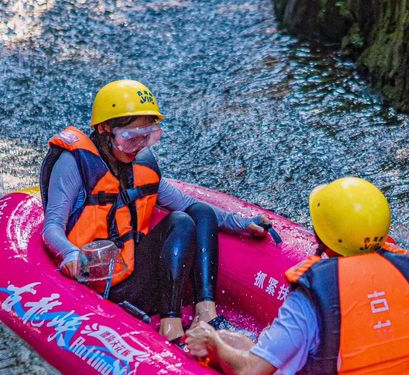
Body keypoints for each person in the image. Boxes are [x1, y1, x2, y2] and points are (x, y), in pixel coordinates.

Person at [186, 176, 409, 375]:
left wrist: (214, 344)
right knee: (244, 343)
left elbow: (251, 374)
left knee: (232, 345)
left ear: (321, 236)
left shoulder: (312, 294)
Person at [40, 79, 268, 344]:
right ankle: (170, 326)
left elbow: (185, 202)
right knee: (181, 221)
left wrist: (240, 223)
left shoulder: (139, 166)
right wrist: (70, 253)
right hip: (99, 279)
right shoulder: (74, 163)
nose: (138, 145)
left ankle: (206, 313)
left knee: (198, 212)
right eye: (130, 138)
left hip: (138, 274)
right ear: (104, 129)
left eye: (146, 136)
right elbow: (52, 226)